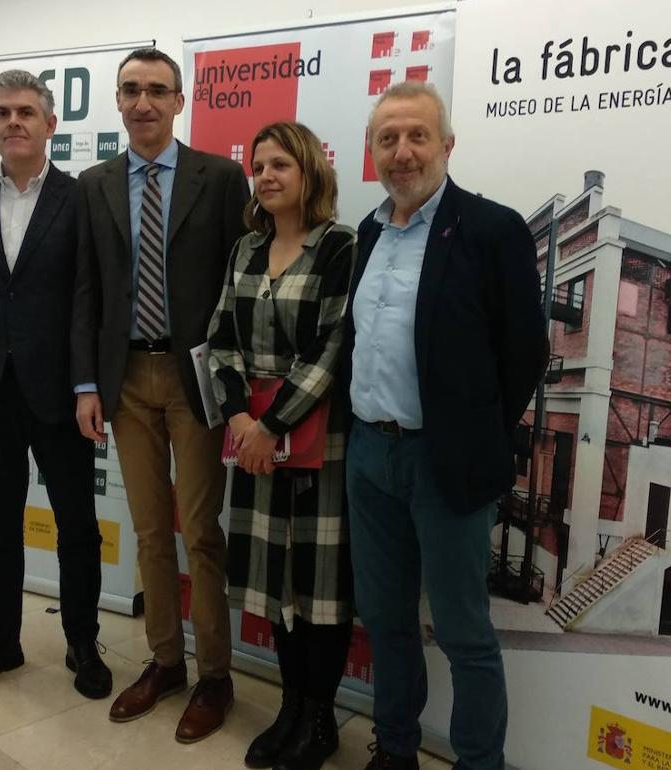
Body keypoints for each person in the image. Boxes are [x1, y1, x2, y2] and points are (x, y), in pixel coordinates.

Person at [343, 81, 549, 770]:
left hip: (446, 463)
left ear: (447, 145)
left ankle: (477, 763)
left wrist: (473, 435)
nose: (402, 153)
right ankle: (396, 749)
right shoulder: (368, 232)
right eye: (387, 139)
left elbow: (526, 353)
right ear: (372, 152)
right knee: (387, 621)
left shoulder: (492, 230)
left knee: (464, 633)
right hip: (370, 456)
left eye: (416, 136)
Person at [70, 48, 249, 742]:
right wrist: (87, 382)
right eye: (130, 91)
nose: (143, 102)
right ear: (117, 101)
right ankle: (166, 661)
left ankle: (215, 676)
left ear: (181, 101)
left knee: (200, 533)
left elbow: (240, 284)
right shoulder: (95, 185)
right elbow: (86, 288)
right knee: (149, 532)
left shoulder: (222, 177)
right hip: (124, 382)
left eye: (157, 91)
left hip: (194, 380)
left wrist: (236, 387)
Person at [0, 69, 110, 700]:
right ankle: (0, 642)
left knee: (77, 525)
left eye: (27, 112)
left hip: (62, 391)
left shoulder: (81, 198)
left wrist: (83, 380)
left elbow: (87, 296)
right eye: (3, 112)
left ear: (50, 124)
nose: (14, 122)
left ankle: (80, 642)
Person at [207, 122, 356, 770]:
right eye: (258, 165)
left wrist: (272, 426)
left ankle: (320, 721)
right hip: (254, 443)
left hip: (320, 443)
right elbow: (220, 340)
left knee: (318, 587)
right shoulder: (245, 248)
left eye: (281, 165)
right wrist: (240, 419)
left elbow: (333, 347)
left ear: (309, 173)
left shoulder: (339, 247)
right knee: (276, 584)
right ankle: (291, 707)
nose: (266, 176)